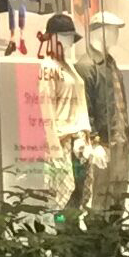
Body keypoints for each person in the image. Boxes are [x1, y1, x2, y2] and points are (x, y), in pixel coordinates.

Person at [46, 12, 129, 216]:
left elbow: (86, 108)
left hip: (100, 141)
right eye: (112, 29)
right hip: (80, 143)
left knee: (107, 200)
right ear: (99, 31)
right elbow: (49, 111)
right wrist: (94, 141)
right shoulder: (80, 66)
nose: (116, 34)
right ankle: (70, 232)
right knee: (85, 202)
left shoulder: (106, 65)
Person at [34, 12, 93, 211]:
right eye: (64, 36)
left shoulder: (68, 67)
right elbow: (47, 111)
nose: (69, 41)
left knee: (78, 198)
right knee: (64, 202)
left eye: (70, 37)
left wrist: (86, 137)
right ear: (53, 38)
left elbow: (81, 103)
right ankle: (63, 228)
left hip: (79, 143)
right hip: (63, 142)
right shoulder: (48, 67)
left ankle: (74, 228)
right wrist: (54, 150)